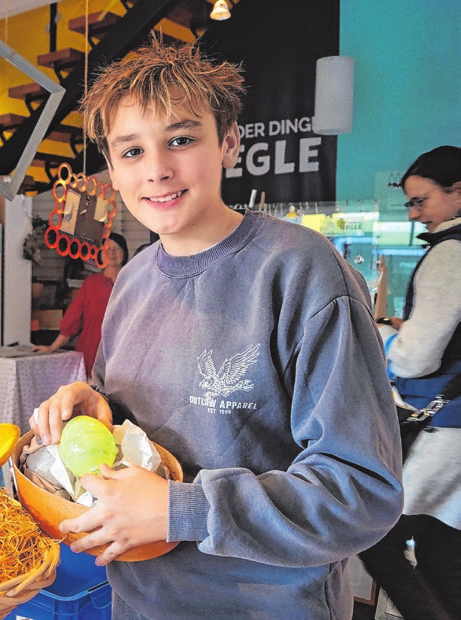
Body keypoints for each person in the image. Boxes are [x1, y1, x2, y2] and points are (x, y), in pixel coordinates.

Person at [30, 41, 403, 619]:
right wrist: (93, 403)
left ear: (228, 142)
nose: (156, 169)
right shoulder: (131, 280)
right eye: (131, 151)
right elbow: (138, 432)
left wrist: (184, 509)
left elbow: (361, 490)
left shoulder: (299, 270)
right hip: (136, 601)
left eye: (181, 139)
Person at [359, 145, 461, 620]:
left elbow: (418, 359)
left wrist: (380, 334)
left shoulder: (449, 253)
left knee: (373, 535)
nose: (417, 215)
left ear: (457, 192)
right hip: (453, 425)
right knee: (443, 552)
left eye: (422, 202)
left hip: (442, 429)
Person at [32, 232, 129, 377]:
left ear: (125, 252)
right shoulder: (91, 284)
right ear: (99, 254)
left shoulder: (134, 282)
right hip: (92, 350)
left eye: (117, 248)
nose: (111, 253)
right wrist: (52, 347)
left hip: (125, 350)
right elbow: (73, 319)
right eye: (106, 249)